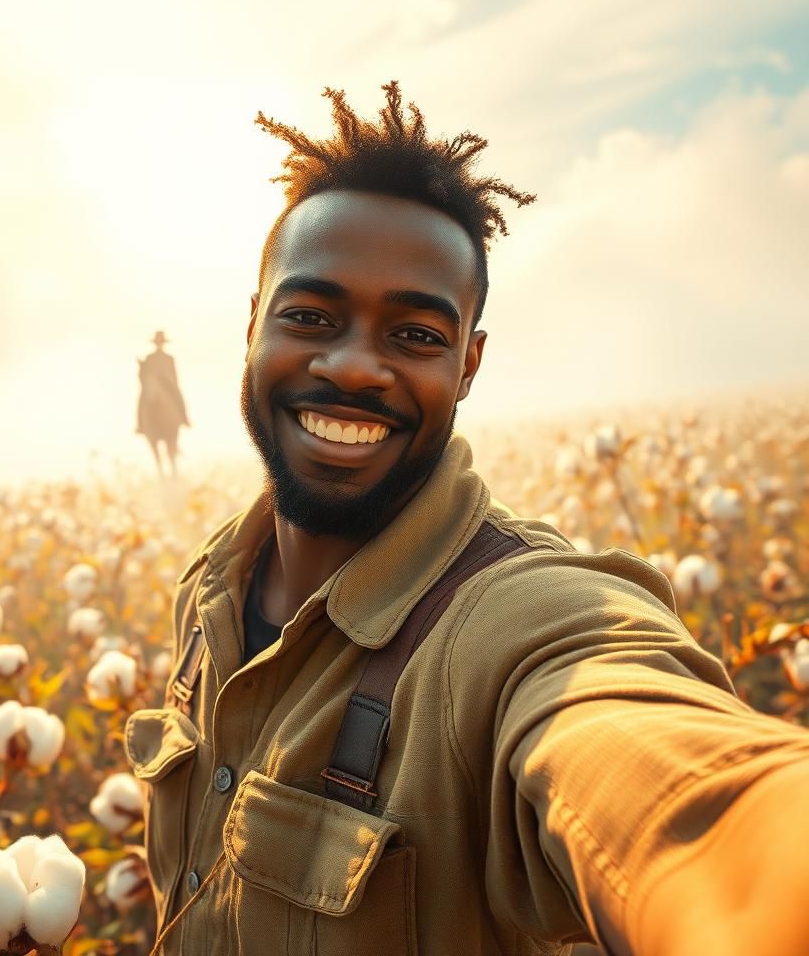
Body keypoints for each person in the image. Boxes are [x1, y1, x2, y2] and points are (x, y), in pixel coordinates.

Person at [125, 83, 809, 956]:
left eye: (414, 335)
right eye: (309, 316)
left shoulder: (516, 620)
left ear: (469, 363)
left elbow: (656, 762)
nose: (353, 366)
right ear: (253, 326)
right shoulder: (209, 584)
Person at [136, 330, 190, 477]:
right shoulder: (149, 358)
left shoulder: (169, 358)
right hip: (153, 386)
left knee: (177, 395)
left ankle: (184, 417)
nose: (159, 344)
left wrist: (169, 382)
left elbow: (174, 375)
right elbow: (144, 375)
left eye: (161, 342)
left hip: (167, 385)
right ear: (156, 343)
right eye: (158, 342)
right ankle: (140, 424)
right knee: (141, 399)